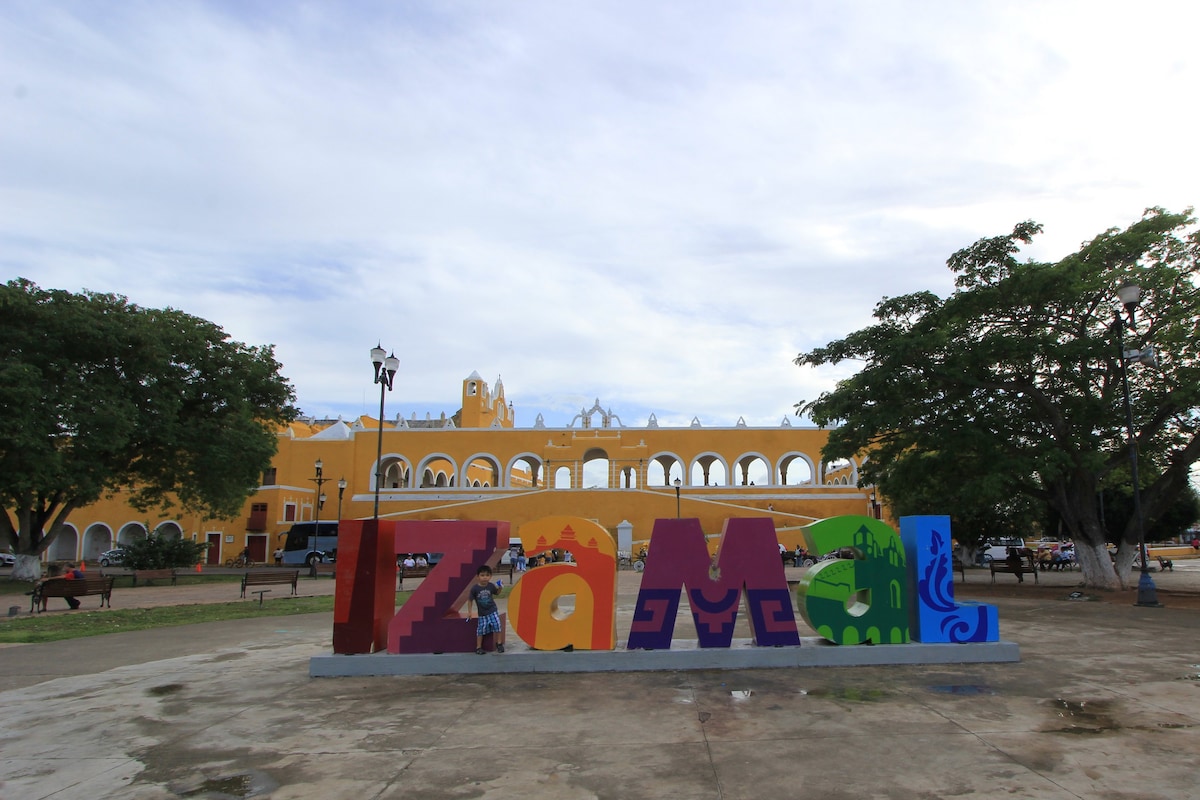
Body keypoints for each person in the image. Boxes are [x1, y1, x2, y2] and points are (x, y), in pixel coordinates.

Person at [470, 565, 505, 655]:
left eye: (487, 575)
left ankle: (499, 643)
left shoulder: (490, 586)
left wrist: (500, 587)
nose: (485, 577)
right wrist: (469, 612)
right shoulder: (475, 588)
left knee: (497, 625)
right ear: (478, 577)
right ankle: (478, 647)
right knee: (480, 630)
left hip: (492, 610)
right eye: (482, 575)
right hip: (482, 614)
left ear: (490, 576)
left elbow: (496, 593)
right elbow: (470, 600)